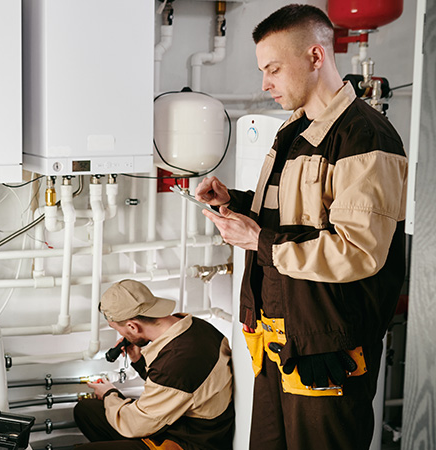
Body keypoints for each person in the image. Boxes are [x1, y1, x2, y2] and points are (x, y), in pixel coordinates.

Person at [195, 5, 407, 450]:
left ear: (315, 57)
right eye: (263, 70)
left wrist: (258, 241)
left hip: (327, 348)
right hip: (279, 342)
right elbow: (289, 215)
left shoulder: (365, 137)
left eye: (273, 68)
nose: (265, 82)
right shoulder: (293, 131)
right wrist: (232, 202)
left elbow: (358, 251)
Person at [73, 279, 234, 450]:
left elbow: (134, 425)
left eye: (117, 329)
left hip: (189, 441)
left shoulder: (176, 363)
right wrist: (138, 360)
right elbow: (177, 386)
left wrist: (109, 393)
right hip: (180, 421)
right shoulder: (193, 326)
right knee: (86, 411)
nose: (120, 334)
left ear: (132, 327)